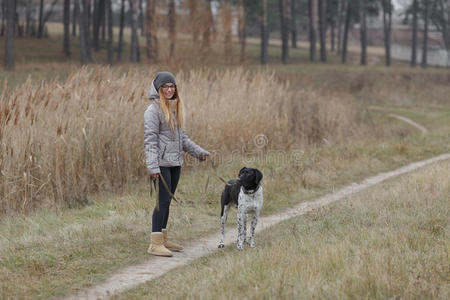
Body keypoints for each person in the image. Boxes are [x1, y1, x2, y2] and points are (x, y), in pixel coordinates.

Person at [144, 71, 209, 257]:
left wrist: (199, 153)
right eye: (166, 86)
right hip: (161, 164)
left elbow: (183, 139)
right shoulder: (152, 111)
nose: (170, 89)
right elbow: (150, 141)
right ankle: (154, 244)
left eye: (172, 86)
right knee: (161, 202)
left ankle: (163, 239)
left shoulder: (174, 109)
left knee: (167, 202)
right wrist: (153, 168)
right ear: (158, 89)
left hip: (175, 163)